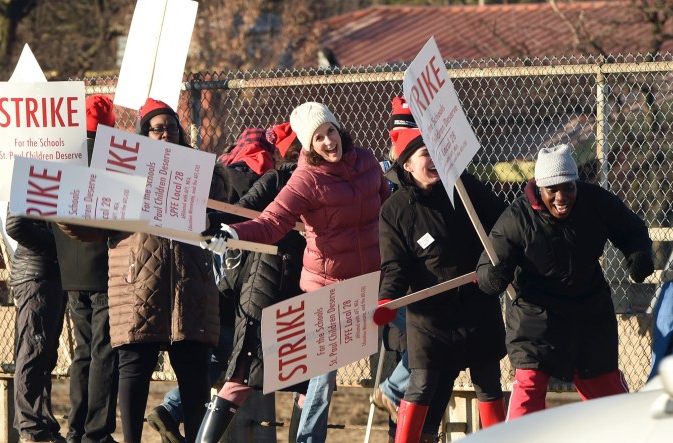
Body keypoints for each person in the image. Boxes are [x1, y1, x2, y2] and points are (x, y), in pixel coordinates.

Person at [204, 102, 390, 442]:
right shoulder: (305, 179)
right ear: (308, 145)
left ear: (339, 129)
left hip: (375, 280)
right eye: (318, 138)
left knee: (415, 335)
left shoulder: (365, 162)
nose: (328, 142)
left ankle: (391, 393)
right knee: (321, 377)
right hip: (328, 287)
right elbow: (271, 222)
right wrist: (233, 234)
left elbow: (387, 207)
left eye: (330, 131)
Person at [64, 98, 222, 443]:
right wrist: (67, 210)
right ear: (143, 133)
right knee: (133, 369)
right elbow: (91, 225)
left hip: (189, 286)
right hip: (138, 283)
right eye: (157, 128)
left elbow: (223, 208)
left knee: (195, 375)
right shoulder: (121, 171)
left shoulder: (202, 170)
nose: (165, 133)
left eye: (171, 127)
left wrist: (212, 219)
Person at [476, 144, 654, 421]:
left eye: (568, 188)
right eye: (552, 190)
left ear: (576, 183)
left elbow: (631, 228)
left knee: (608, 392)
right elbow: (487, 267)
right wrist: (494, 276)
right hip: (536, 314)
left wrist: (639, 254)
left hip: (589, 311)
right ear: (539, 188)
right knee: (529, 385)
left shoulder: (595, 201)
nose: (561, 197)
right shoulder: (517, 218)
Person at [372, 128, 508, 442]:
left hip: (477, 303)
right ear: (407, 164)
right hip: (429, 316)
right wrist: (387, 300)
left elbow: (505, 222)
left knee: (488, 381)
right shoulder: (393, 211)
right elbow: (395, 267)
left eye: (436, 152)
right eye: (425, 154)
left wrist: (497, 265)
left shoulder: (463, 187)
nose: (434, 159)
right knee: (423, 383)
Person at [146, 127, 276, 443]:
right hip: (236, 286)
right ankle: (173, 410)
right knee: (227, 355)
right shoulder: (264, 180)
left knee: (218, 355)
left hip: (206, 285)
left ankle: (174, 411)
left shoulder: (217, 170)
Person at [194, 122, 307, 442]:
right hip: (267, 285)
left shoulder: (333, 183)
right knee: (242, 376)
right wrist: (212, 226)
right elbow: (240, 212)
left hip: (310, 288)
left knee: (311, 383)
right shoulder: (278, 179)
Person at [53, 94, 118, 443]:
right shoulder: (113, 158)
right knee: (104, 350)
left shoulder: (63, 157)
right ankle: (97, 432)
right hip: (105, 267)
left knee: (82, 350)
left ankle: (76, 428)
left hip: (71, 270)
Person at [371, 96, 419, 437]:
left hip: (425, 287)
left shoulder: (432, 180)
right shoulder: (383, 182)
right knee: (407, 353)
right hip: (392, 288)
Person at [6, 213, 65, 443]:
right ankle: (30, 428)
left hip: (48, 275)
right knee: (33, 350)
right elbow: (15, 225)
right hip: (36, 276)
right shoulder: (31, 179)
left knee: (45, 355)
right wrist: (58, 247)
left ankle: (41, 424)